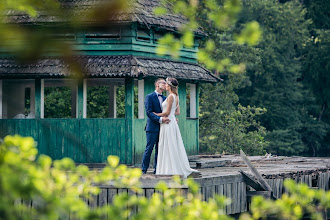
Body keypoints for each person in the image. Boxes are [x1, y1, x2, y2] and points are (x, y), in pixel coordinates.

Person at [154, 77, 198, 178]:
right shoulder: (176, 96)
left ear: (169, 86)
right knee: (171, 144)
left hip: (168, 123)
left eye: (166, 84)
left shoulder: (170, 97)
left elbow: (167, 112)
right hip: (172, 121)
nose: (165, 85)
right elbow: (177, 112)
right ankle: (169, 167)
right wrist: (172, 116)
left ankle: (169, 168)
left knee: (168, 144)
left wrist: (156, 114)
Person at [141, 78, 170, 174]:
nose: (165, 84)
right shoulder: (149, 97)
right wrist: (160, 119)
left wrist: (172, 118)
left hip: (163, 128)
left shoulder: (166, 98)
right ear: (157, 84)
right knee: (149, 148)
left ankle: (157, 169)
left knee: (160, 149)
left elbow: (167, 112)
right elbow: (149, 112)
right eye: (163, 83)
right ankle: (143, 170)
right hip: (152, 127)